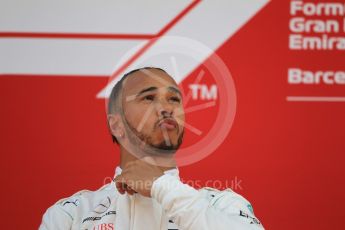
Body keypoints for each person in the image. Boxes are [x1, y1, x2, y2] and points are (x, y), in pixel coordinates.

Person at [40, 67, 264, 229]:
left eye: (174, 99)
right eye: (149, 98)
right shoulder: (71, 214)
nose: (166, 108)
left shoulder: (224, 205)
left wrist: (162, 186)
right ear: (116, 124)